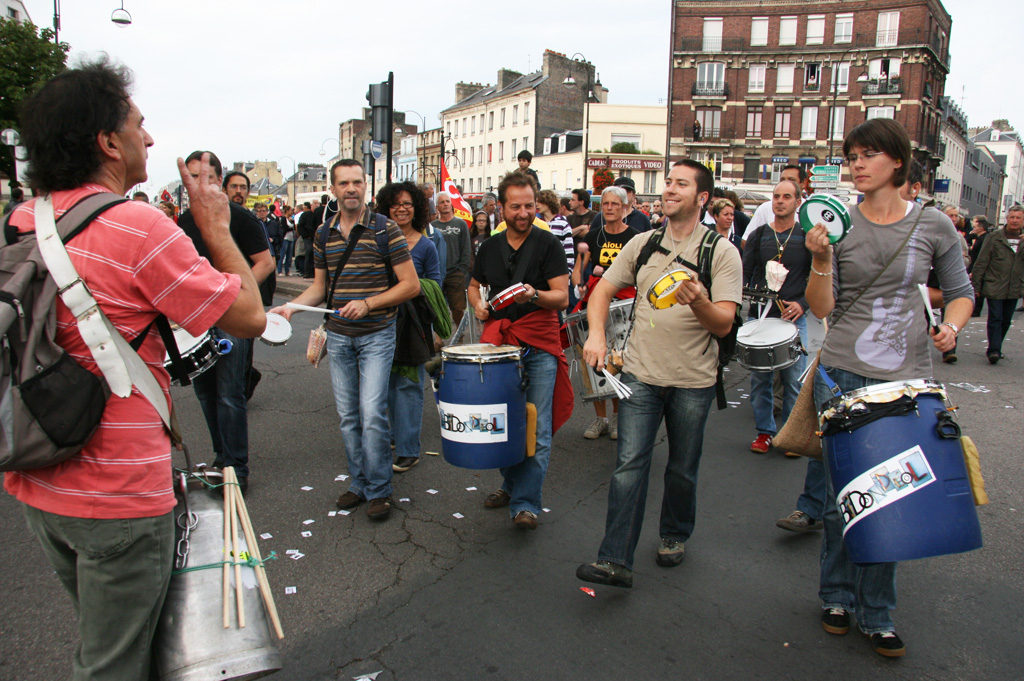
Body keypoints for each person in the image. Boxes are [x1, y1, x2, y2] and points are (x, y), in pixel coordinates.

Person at [4, 59, 265, 680]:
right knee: (114, 663)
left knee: (116, 640)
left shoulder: (24, 220)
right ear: (107, 141)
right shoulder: (138, 226)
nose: (149, 139)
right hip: (116, 497)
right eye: (139, 126)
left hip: (38, 477)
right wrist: (214, 227)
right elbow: (249, 316)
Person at [804, 118, 973, 657]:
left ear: (897, 162)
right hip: (844, 372)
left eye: (869, 153)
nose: (857, 162)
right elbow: (823, 309)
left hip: (907, 382)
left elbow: (961, 292)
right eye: (853, 153)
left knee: (892, 497)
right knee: (839, 500)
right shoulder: (837, 225)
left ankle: (878, 612)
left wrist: (953, 326)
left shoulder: (934, 224)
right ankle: (835, 596)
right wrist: (821, 259)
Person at [575, 160, 742, 588]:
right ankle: (615, 559)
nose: (668, 189)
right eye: (668, 182)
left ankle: (673, 533)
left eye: (680, 184)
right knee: (629, 465)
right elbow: (602, 292)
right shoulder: (644, 244)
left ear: (702, 198)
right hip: (640, 375)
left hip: (693, 381)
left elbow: (723, 323)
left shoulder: (720, 252)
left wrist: (699, 301)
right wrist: (595, 336)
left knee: (682, 467)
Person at [269, 160, 420, 521]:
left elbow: (410, 285)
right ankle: (360, 482)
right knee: (349, 416)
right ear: (333, 189)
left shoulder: (385, 229)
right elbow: (320, 290)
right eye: (343, 183)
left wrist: (368, 303)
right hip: (338, 337)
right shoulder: (323, 234)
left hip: (377, 336)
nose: (351, 189)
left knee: (371, 414)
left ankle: (380, 489)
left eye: (357, 182)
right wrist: (289, 308)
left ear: (365, 186)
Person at [467, 171, 572, 530]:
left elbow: (562, 296)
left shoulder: (549, 244)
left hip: (539, 343)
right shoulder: (489, 247)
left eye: (530, 205)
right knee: (502, 422)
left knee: (536, 426)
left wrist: (535, 295)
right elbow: (474, 285)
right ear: (501, 208)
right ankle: (511, 484)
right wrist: (478, 306)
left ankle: (527, 502)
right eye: (516, 207)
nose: (524, 212)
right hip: (500, 346)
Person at [178, 151, 274, 492]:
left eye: (202, 176)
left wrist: (235, 297)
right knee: (205, 393)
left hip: (230, 318)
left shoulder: (239, 217)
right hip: (196, 321)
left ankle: (238, 469)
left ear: (217, 180)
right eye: (189, 177)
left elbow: (265, 263)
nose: (195, 184)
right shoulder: (183, 219)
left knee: (230, 394)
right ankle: (222, 458)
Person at [375, 181, 442, 474]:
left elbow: (435, 286)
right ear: (386, 208)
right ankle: (391, 437)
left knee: (410, 386)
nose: (401, 209)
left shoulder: (427, 245)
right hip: (380, 320)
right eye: (395, 204)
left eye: (407, 204)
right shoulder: (378, 240)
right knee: (384, 383)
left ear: (416, 208)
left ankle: (408, 450)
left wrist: (407, 287)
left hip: (413, 324)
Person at [571, 185, 639, 440]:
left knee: (618, 361)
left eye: (615, 204)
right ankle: (601, 419)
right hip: (595, 303)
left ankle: (619, 418)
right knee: (593, 362)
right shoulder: (592, 236)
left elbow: (640, 272)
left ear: (624, 207)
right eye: (606, 204)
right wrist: (579, 283)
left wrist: (611, 275)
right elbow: (579, 268)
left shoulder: (635, 237)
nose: (609, 208)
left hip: (624, 305)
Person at [970, 204, 1024, 364]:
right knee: (995, 317)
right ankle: (994, 350)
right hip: (994, 285)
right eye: (1012, 217)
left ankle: (996, 346)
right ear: (1007, 219)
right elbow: (981, 262)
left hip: (1014, 287)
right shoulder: (995, 237)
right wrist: (976, 285)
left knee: (1006, 319)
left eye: (1018, 218)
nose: (1015, 221)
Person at [432, 192, 471, 326]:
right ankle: (438, 339)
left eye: (447, 201)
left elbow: (466, 248)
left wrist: (462, 269)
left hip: (456, 273)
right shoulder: (432, 226)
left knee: (458, 308)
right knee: (437, 308)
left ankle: (459, 337)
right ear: (437, 206)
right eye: (442, 202)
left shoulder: (460, 224)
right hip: (437, 273)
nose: (445, 204)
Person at [749, 165, 805, 231]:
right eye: (782, 180)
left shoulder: (809, 209)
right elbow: (747, 239)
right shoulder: (765, 208)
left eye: (791, 180)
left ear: (803, 183)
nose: (786, 183)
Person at [536, 189, 574, 275]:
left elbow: (569, 253)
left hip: (559, 275)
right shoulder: (536, 223)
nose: (537, 205)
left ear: (548, 202)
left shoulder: (563, 224)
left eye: (540, 201)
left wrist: (566, 274)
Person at [967, 215, 990, 316]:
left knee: (977, 288)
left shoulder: (984, 239)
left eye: (975, 227)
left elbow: (980, 255)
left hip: (977, 266)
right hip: (974, 265)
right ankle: (974, 309)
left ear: (981, 227)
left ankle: (976, 310)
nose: (973, 229)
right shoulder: (979, 237)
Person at [296, 200, 315, 277]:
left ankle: (307, 272)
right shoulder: (312, 214)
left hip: (307, 237)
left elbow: (300, 226)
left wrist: (304, 235)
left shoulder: (304, 215)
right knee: (311, 253)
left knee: (308, 253)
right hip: (311, 236)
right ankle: (310, 271)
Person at [278, 205, 296, 276]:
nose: (292, 212)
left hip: (291, 238)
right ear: (287, 211)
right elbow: (285, 228)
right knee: (282, 254)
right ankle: (280, 271)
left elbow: (293, 226)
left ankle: (287, 271)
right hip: (285, 238)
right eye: (291, 210)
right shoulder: (283, 219)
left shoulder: (291, 219)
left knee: (289, 256)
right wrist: (290, 227)